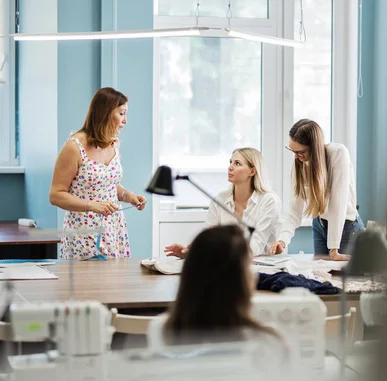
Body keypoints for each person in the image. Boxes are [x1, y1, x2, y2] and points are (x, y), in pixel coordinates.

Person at [147, 225, 287, 361]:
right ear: (239, 280)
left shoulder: (160, 330)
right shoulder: (267, 343)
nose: (255, 275)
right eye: (249, 265)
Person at [49, 87, 146, 260]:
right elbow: (56, 195)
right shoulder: (74, 147)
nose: (125, 121)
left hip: (113, 229)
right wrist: (92, 205)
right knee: (86, 285)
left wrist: (127, 195)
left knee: (113, 285)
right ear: (106, 113)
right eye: (122, 113)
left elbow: (105, 183)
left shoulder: (113, 144)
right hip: (83, 234)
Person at [271, 119, 363, 260]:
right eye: (293, 151)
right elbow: (294, 212)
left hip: (345, 227)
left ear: (315, 147)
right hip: (319, 224)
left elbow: (337, 204)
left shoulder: (338, 153)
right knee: (320, 277)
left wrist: (334, 249)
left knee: (341, 280)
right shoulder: (300, 164)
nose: (296, 157)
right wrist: (282, 241)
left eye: (301, 152)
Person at [164, 148, 280, 258]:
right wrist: (190, 253)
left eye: (237, 163)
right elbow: (209, 238)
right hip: (227, 267)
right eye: (230, 162)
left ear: (252, 171)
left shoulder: (268, 201)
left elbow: (254, 247)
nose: (230, 167)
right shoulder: (219, 200)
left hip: (263, 271)